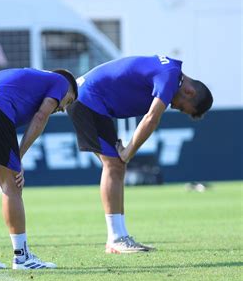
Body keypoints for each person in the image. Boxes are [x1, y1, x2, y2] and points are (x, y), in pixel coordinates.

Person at [66, 55, 213, 254]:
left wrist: (126, 155)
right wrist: (127, 153)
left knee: (116, 167)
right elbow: (151, 119)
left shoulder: (171, 72)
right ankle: (116, 239)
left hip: (91, 99)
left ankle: (120, 236)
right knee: (115, 165)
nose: (175, 107)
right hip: (86, 99)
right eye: (182, 108)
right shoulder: (169, 77)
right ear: (189, 91)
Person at [0, 68, 77, 269]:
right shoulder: (61, 81)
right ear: (68, 88)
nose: (63, 107)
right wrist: (17, 159)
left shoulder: (31, 81)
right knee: (11, 185)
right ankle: (22, 257)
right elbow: (40, 118)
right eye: (69, 101)